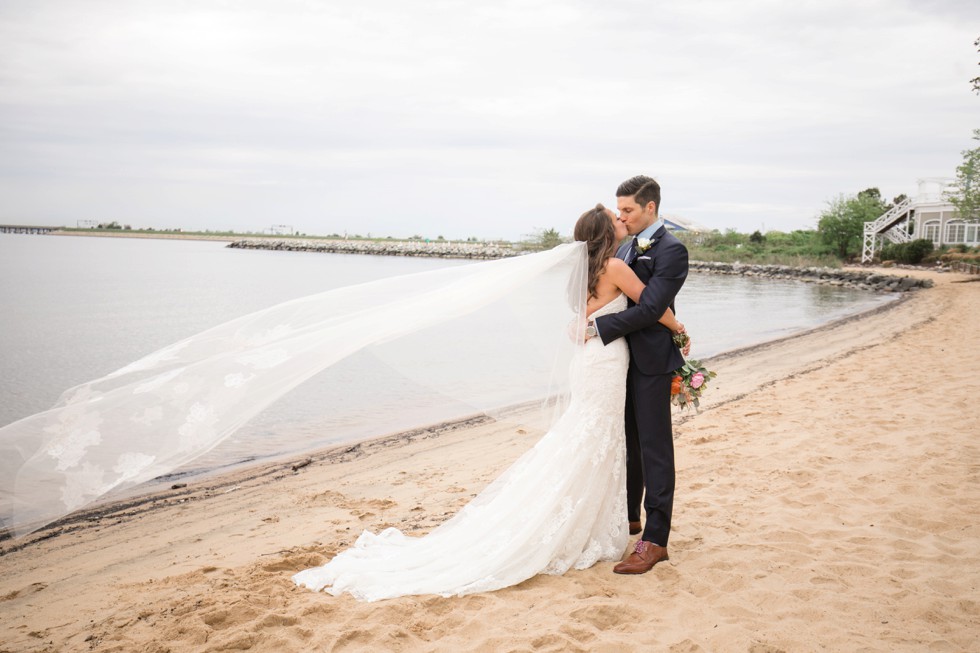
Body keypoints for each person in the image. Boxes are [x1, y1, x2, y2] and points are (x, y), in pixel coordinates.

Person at [291, 205, 687, 601]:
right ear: (605, 231)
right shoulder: (616, 267)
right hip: (605, 361)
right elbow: (653, 307)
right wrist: (679, 330)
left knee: (587, 437)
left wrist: (587, 327)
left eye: (625, 214)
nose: (623, 221)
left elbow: (582, 318)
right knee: (596, 438)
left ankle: (598, 517)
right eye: (616, 218)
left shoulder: (580, 273)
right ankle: (591, 521)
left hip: (588, 362)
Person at [588, 176, 689, 575]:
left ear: (650, 207)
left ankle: (655, 540)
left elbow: (650, 308)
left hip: (650, 361)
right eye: (619, 209)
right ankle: (630, 516)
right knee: (626, 441)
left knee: (655, 449)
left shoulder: (672, 251)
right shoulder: (626, 245)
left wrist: (597, 328)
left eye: (628, 210)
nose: (621, 216)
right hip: (617, 362)